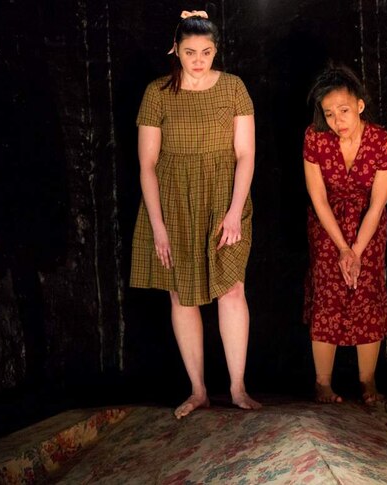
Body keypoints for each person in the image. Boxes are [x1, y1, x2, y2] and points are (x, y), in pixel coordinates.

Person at [130, 10, 260, 418]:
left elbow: (246, 154)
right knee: (181, 294)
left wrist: (235, 211)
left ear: (215, 50)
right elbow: (147, 164)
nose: (199, 59)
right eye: (190, 52)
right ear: (176, 50)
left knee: (232, 289)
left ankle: (237, 387)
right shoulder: (157, 93)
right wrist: (158, 226)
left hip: (224, 197)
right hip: (173, 201)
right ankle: (198, 389)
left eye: (206, 51)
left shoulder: (234, 88)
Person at [302, 64, 387, 404]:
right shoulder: (315, 138)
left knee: (366, 293)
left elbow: (378, 203)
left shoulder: (384, 141)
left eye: (343, 110)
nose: (336, 120)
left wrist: (357, 248)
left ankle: (367, 380)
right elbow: (317, 196)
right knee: (328, 293)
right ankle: (323, 382)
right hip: (328, 226)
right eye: (329, 114)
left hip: (368, 227)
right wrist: (343, 248)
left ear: (359, 105)